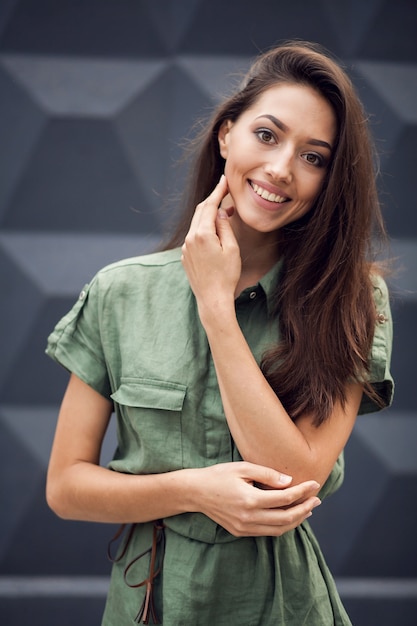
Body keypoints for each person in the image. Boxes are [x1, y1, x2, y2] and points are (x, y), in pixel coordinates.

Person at [45, 40, 394, 625]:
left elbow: (296, 478)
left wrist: (215, 307)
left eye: (315, 157)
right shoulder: (120, 292)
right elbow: (66, 486)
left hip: (281, 606)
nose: (282, 168)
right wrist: (195, 490)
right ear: (226, 134)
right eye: (267, 135)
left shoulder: (353, 300)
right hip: (149, 604)